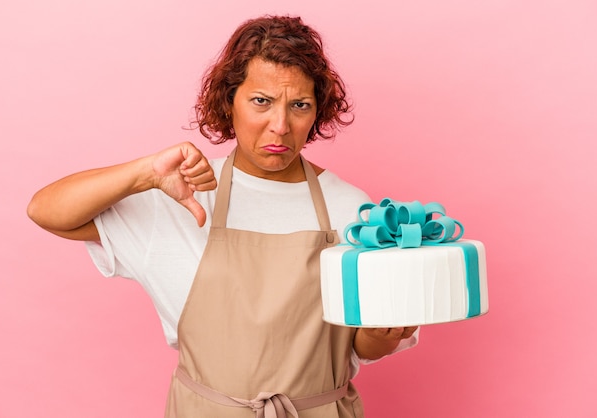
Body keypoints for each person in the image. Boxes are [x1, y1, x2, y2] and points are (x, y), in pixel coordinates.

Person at [27, 15, 419, 417]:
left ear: (317, 112)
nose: (280, 126)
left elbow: (362, 347)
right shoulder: (183, 195)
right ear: (229, 101)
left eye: (299, 105)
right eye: (261, 101)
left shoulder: (352, 209)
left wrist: (380, 334)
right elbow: (46, 211)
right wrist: (144, 174)